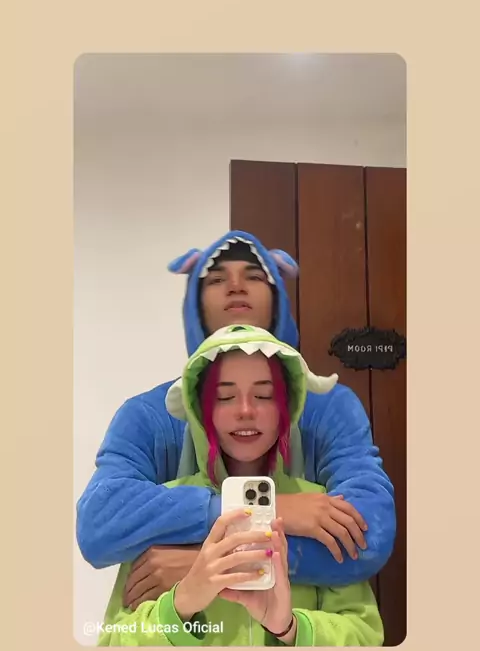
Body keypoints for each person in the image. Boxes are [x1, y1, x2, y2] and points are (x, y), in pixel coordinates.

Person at [77, 231, 396, 609]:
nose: (235, 286)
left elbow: (368, 535)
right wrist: (271, 509)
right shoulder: (146, 416)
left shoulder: (331, 407)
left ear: (278, 297)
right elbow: (98, 525)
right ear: (194, 304)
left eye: (254, 275)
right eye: (216, 278)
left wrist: (206, 563)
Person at [98, 325, 384, 646]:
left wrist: (291, 628)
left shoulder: (321, 508)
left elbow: (365, 637)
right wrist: (180, 606)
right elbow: (113, 644)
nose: (246, 411)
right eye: (225, 397)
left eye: (264, 395)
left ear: (286, 408)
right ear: (201, 411)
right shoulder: (162, 514)